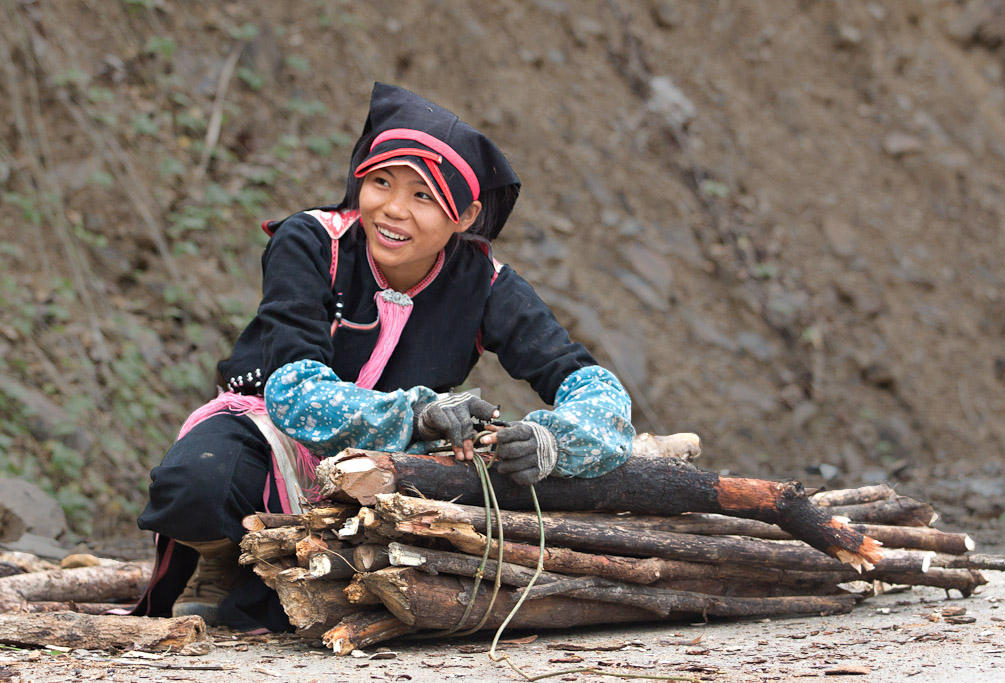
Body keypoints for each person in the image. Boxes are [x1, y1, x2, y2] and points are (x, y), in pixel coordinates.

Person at [132, 83, 635, 631]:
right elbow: (293, 389)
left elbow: (592, 388)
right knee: (196, 483)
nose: (392, 210)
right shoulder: (311, 241)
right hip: (270, 433)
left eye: (424, 196)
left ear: (463, 215)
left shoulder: (486, 286)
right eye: (380, 183)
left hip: (394, 465)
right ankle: (220, 559)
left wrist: (553, 440)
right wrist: (411, 414)